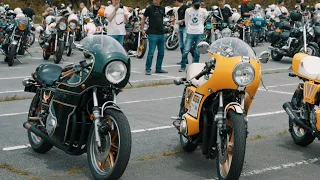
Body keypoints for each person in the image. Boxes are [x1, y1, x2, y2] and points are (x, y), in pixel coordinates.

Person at [179, 0, 207, 72]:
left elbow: (204, 19)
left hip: (199, 32)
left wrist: (201, 28)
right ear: (193, 4)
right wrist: (189, 29)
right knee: (186, 50)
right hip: (190, 32)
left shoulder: (203, 11)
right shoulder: (188, 10)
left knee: (197, 51)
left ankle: (195, 66)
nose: (197, 6)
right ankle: (183, 66)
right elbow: (186, 20)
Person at [141, 0, 168, 75]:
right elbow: (143, 18)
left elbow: (162, 19)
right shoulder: (149, 8)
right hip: (152, 33)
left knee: (161, 53)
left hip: (161, 33)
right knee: (151, 53)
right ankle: (148, 69)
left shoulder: (162, 8)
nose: (155, 1)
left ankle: (158, 68)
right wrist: (142, 29)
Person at [174, 0, 190, 65]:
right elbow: (178, 18)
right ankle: (184, 59)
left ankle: (185, 59)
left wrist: (182, 20)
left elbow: (189, 17)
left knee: (184, 42)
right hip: (180, 27)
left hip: (185, 27)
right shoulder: (178, 9)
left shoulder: (186, 8)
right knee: (181, 45)